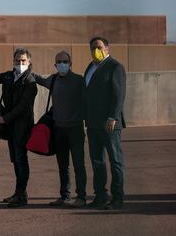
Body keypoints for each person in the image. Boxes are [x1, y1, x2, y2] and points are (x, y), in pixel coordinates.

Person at [34, 51, 87, 208]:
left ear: (70, 64)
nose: (62, 64)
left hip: (75, 129)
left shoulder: (79, 80)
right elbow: (38, 79)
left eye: (65, 61)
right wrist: (25, 68)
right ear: (55, 65)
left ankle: (82, 197)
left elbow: (87, 101)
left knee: (79, 165)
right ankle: (65, 196)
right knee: (63, 165)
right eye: (59, 62)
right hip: (59, 130)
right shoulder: (53, 79)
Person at [0, 47, 37, 208]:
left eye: (23, 60)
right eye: (17, 60)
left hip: (22, 127)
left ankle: (21, 194)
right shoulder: (9, 76)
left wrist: (4, 118)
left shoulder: (30, 82)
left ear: (29, 61)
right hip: (10, 127)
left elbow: (22, 107)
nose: (20, 63)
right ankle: (19, 193)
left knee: (21, 159)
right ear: (13, 61)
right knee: (15, 161)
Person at [84, 37, 126, 210]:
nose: (96, 50)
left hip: (109, 123)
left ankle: (117, 198)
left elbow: (119, 94)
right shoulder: (90, 67)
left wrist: (112, 117)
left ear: (107, 48)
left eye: (99, 47)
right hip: (93, 124)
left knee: (115, 161)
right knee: (97, 161)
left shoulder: (115, 67)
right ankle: (100, 196)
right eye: (93, 47)